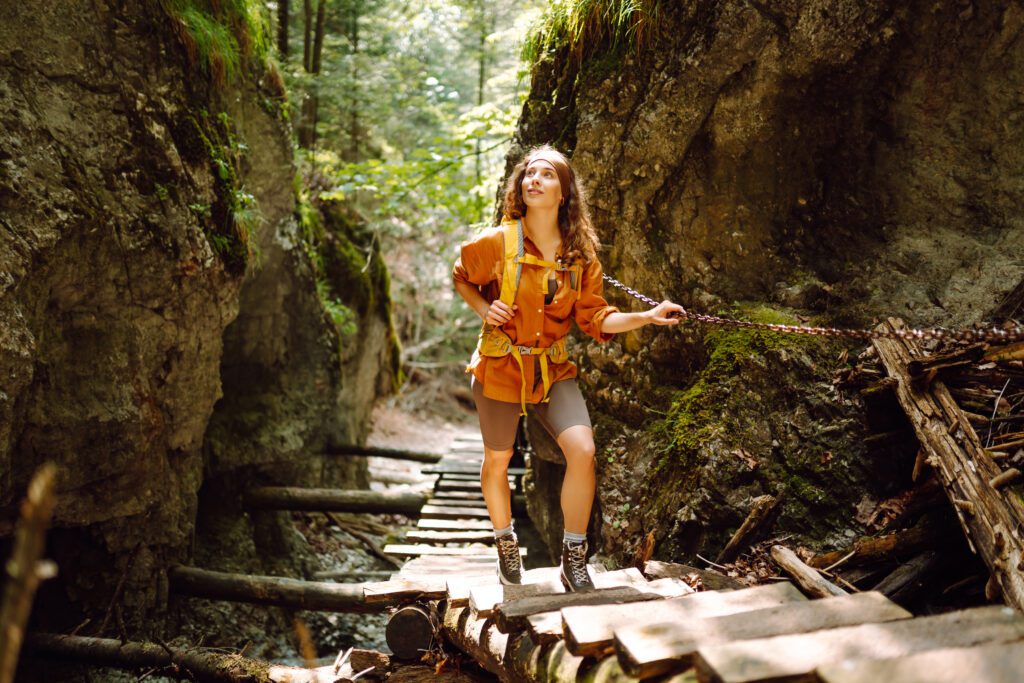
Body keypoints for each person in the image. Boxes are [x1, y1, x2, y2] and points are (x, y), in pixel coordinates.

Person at [452, 145, 685, 591]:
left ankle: (573, 556)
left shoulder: (581, 256)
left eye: (546, 175)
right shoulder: (497, 242)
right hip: (501, 365)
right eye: (528, 175)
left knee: (583, 450)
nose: (533, 180)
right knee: (497, 460)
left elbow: (596, 317)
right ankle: (505, 544)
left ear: (564, 193)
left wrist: (647, 316)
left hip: (552, 369)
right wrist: (485, 309)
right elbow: (461, 274)